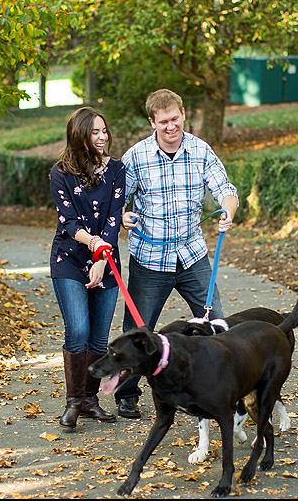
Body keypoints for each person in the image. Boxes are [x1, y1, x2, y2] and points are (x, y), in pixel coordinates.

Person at [115, 88, 239, 419]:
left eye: (176, 119)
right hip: (150, 261)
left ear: (183, 114)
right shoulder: (136, 157)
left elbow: (225, 190)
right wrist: (124, 217)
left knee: (219, 324)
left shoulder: (200, 150)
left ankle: (228, 387)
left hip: (192, 255)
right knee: (138, 331)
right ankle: (127, 393)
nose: (171, 127)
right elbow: (118, 203)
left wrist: (228, 211)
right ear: (152, 122)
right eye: (164, 121)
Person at [49, 107, 126, 427]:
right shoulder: (60, 173)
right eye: (95, 132)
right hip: (69, 259)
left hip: (107, 260)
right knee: (78, 330)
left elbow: (113, 219)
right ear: (79, 134)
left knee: (98, 338)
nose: (102, 137)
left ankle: (91, 401)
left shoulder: (117, 170)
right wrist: (92, 250)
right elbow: (68, 222)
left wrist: (101, 261)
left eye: (104, 131)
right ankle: (73, 402)